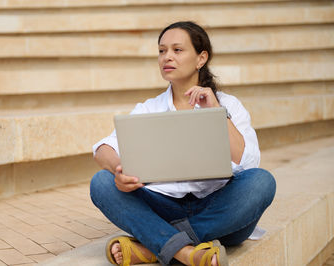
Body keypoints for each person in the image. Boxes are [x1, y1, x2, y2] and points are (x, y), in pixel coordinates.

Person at [90, 21, 276, 266]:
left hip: (219, 213)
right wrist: (118, 169)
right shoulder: (149, 108)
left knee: (262, 182)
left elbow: (249, 161)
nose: (167, 57)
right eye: (162, 50)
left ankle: (154, 245)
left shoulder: (229, 105)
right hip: (162, 207)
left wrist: (217, 113)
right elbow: (103, 148)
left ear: (201, 58)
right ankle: (187, 252)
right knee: (101, 183)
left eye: (177, 50)